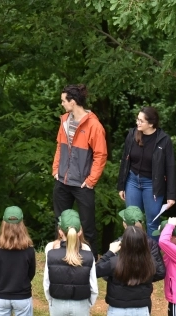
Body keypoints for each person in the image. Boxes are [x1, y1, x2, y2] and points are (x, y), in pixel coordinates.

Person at [96, 226, 165, 316]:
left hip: (118, 310)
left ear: (124, 243)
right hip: (141, 309)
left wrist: (109, 252)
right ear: (143, 243)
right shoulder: (150, 262)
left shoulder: (115, 262)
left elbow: (95, 270)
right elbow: (160, 273)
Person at [52, 84, 107, 259]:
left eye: (63, 101)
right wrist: (55, 170)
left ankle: (91, 260)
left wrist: (91, 180)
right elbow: (59, 147)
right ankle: (60, 256)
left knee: (87, 224)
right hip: (62, 180)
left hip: (82, 183)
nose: (61, 104)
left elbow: (101, 155)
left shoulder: (94, 125)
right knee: (60, 221)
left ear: (73, 102)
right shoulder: (64, 121)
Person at [44, 209, 98, 316]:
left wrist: (51, 301)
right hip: (80, 305)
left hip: (58, 304)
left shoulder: (50, 251)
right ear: (80, 230)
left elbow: (46, 282)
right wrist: (88, 303)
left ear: (60, 231)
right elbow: (93, 286)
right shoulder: (88, 252)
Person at [117, 106, 176, 238]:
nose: (137, 122)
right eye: (137, 119)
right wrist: (121, 185)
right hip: (132, 181)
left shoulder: (164, 140)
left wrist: (171, 195)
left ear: (151, 124)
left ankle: (153, 257)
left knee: (152, 223)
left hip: (152, 185)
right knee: (131, 220)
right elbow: (125, 160)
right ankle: (131, 256)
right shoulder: (132, 134)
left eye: (141, 121)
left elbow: (170, 167)